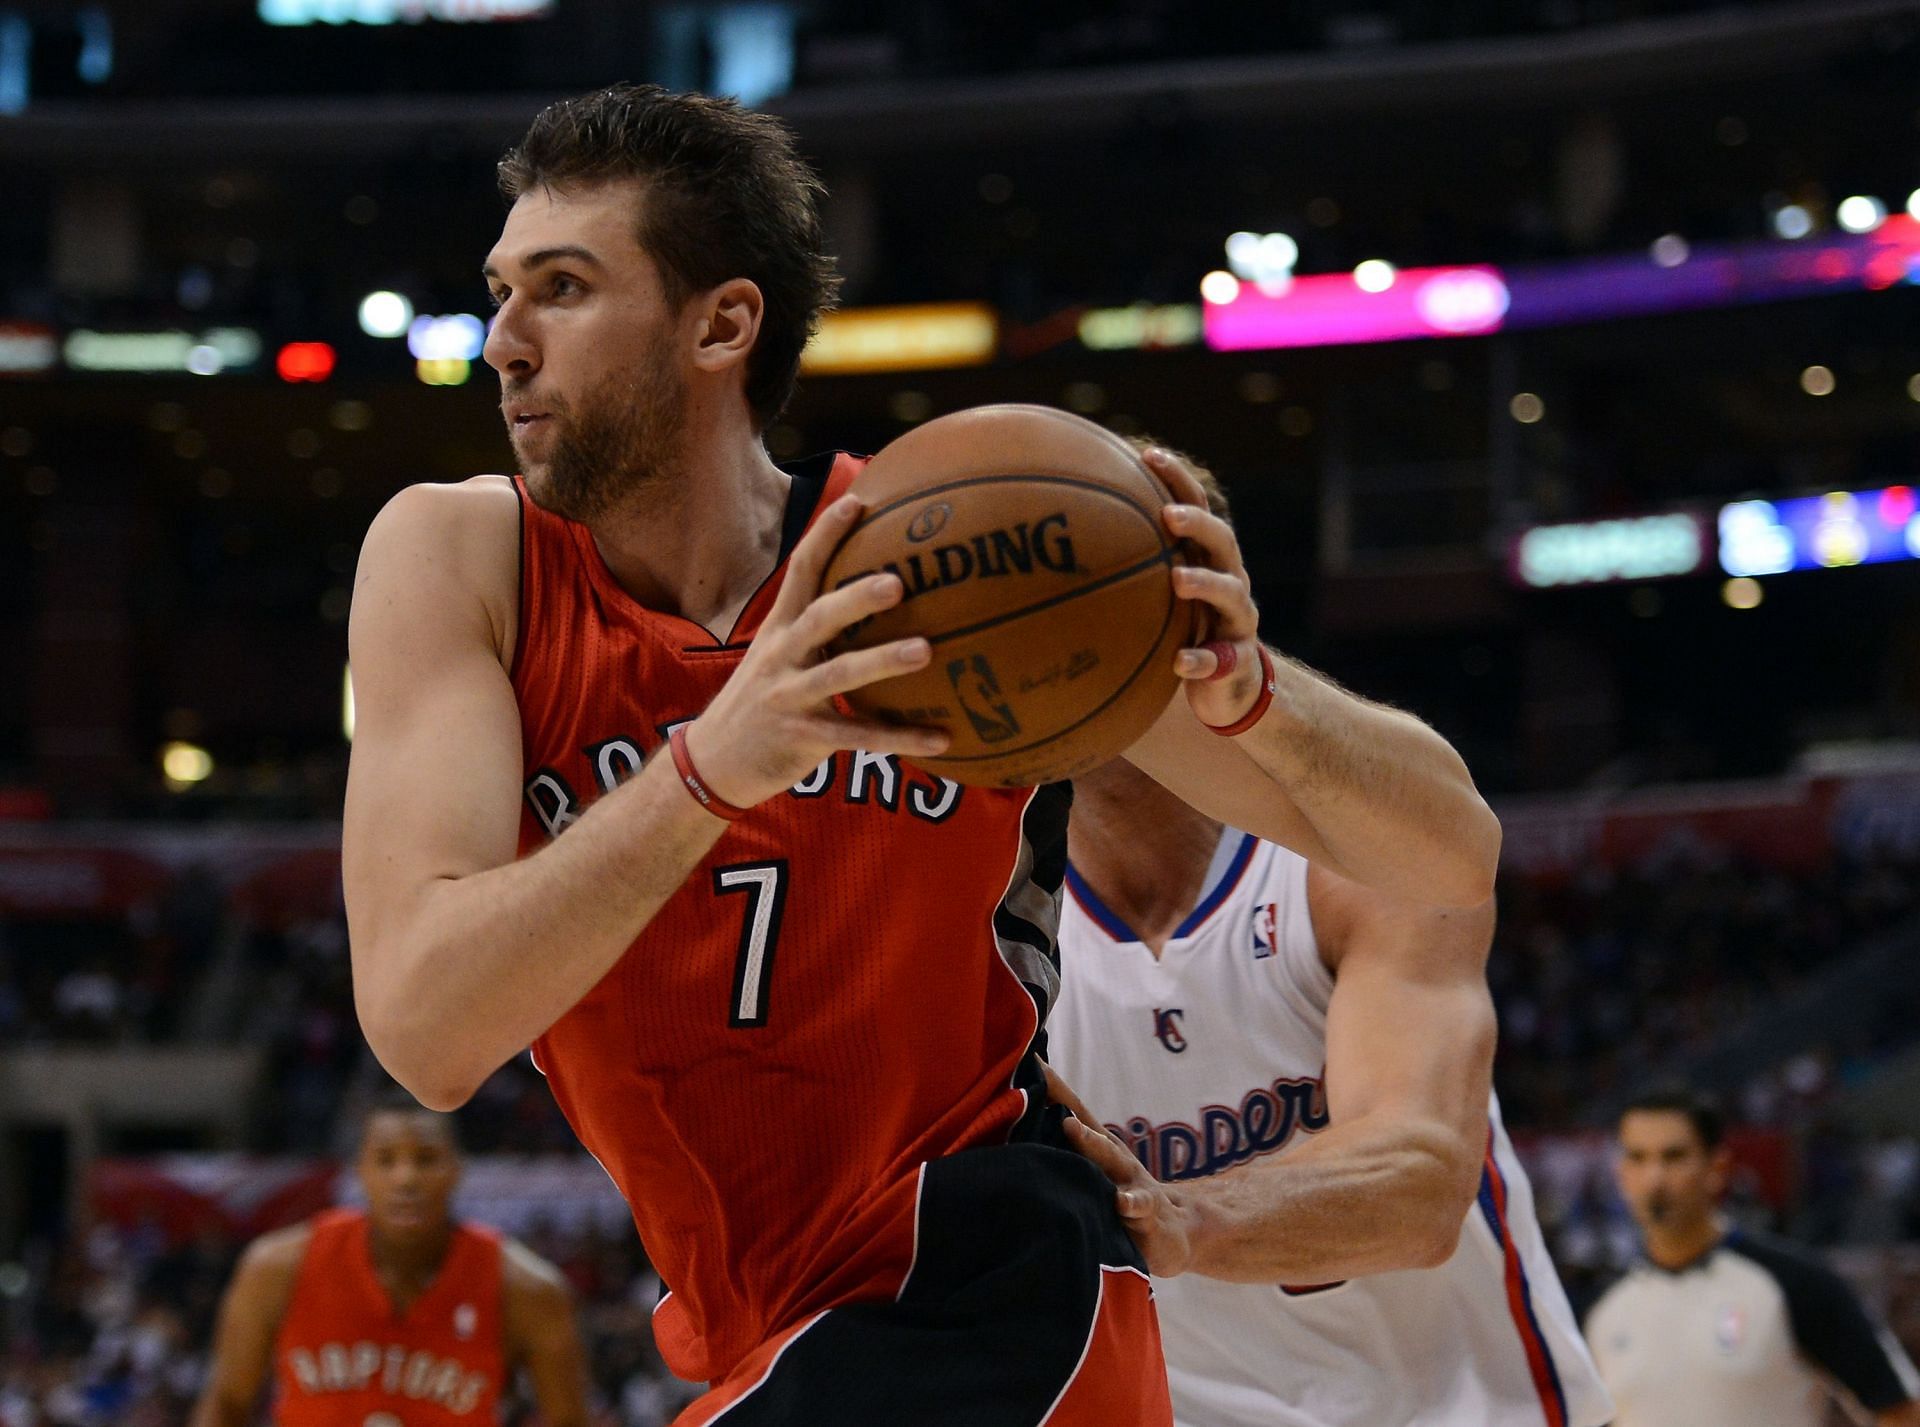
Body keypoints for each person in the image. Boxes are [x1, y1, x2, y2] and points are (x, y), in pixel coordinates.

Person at [341, 82, 1501, 1425]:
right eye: (500, 289)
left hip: (989, 1280)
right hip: (766, 1333)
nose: (502, 341)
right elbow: (425, 1026)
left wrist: (1252, 700)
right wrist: (719, 761)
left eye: (562, 289)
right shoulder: (459, 557)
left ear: (720, 322)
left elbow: (1447, 853)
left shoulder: (940, 570)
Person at [1044, 524, 1609, 1426]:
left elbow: (1417, 1181)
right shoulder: (998, 928)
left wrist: (1176, 1218)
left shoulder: (1368, 853)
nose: (1054, 645)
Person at [190, 1092, 589, 1427]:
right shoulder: (277, 1267)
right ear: (361, 1171)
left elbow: (569, 1420)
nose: (406, 1179)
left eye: (426, 1159)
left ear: (456, 1170)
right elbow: (227, 1403)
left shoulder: (527, 1288)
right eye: (386, 1160)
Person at [1585, 1087, 1920, 1427]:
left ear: (1716, 1167)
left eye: (1674, 1157)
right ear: (1621, 1173)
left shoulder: (1794, 1282)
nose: (1654, 1179)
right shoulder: (1603, 1312)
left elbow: (1902, 1410)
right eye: (1638, 1158)